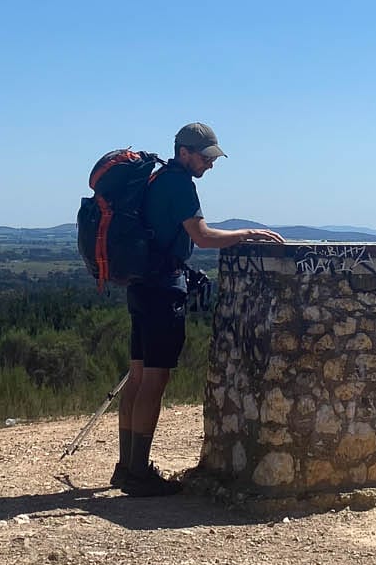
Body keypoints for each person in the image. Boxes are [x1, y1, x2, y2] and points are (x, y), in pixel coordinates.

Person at [114, 122, 283, 496]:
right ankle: (138, 474)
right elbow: (203, 237)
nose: (210, 164)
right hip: (162, 289)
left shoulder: (155, 179)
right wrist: (247, 234)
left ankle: (126, 468)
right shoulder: (179, 184)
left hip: (140, 285)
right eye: (205, 157)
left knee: (138, 376)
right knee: (154, 379)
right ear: (184, 152)